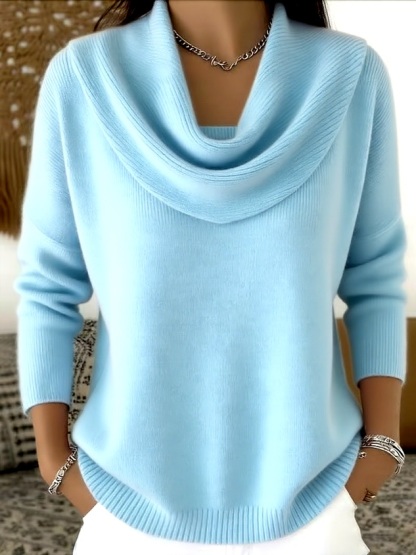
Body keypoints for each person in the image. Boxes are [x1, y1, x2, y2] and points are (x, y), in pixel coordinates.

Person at [14, 0, 407, 553]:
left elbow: (375, 274)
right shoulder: (83, 79)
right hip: (126, 514)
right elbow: (48, 288)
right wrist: (55, 462)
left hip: (315, 509)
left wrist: (382, 447)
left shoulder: (351, 76)